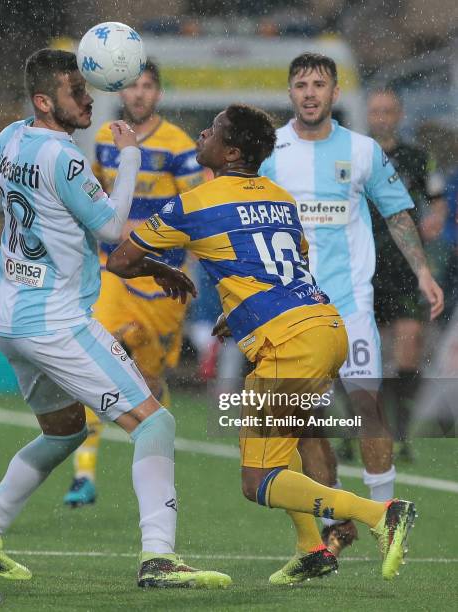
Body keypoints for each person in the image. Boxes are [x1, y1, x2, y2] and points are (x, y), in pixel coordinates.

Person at [0, 49, 230, 589]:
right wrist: (129, 156)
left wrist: (24, 197)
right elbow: (109, 227)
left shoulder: (10, 138)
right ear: (43, 101)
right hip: (57, 321)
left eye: (87, 87)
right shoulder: (66, 157)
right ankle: (159, 559)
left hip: (10, 320)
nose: (88, 97)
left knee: (63, 433)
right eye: (76, 90)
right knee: (156, 421)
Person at [106, 103, 417, 585]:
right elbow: (286, 267)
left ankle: (380, 514)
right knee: (285, 443)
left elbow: (122, 261)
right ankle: (310, 547)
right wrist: (239, 312)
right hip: (324, 326)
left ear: (229, 152)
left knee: (258, 482)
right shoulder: (280, 198)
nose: (202, 130)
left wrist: (164, 270)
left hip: (291, 344)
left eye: (213, 129)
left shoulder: (198, 201)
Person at [258, 53, 443, 556]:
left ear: (335, 93)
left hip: (350, 307)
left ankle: (387, 521)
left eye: (319, 83)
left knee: (366, 409)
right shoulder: (271, 151)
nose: (310, 92)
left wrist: (423, 272)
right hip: (292, 311)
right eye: (301, 84)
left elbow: (398, 212)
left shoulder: (362, 151)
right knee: (305, 426)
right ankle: (339, 527)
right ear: (290, 92)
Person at [63, 60, 206, 507]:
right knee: (95, 361)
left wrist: (140, 230)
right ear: (122, 92)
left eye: (148, 87)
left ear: (158, 95)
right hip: (112, 273)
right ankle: (83, 474)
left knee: (147, 376)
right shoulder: (107, 139)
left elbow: (194, 210)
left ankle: (156, 450)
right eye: (133, 87)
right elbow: (97, 193)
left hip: (161, 279)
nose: (139, 95)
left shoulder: (179, 146)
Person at [367, 88, 447, 461]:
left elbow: (437, 198)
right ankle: (358, 435)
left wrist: (435, 219)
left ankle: (400, 436)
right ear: (369, 116)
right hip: (361, 264)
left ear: (399, 115)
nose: (382, 117)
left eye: (388, 111)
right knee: (353, 356)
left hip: (403, 267)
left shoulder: (417, 157)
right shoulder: (356, 156)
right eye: (376, 111)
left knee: (408, 347)